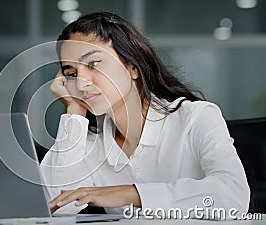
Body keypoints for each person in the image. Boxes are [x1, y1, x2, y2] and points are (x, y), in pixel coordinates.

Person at [40, 11, 250, 219]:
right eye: (71, 73)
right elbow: (57, 204)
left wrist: (130, 194)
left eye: (93, 64)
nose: (80, 83)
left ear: (132, 67)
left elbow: (233, 195)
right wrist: (75, 111)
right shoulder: (89, 143)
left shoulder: (196, 117)